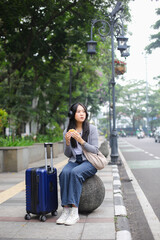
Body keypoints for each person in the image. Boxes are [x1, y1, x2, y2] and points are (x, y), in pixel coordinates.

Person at [56, 102, 98, 226]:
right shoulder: (67, 131)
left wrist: (81, 141)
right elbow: (68, 154)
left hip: (90, 162)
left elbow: (95, 150)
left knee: (75, 173)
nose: (81, 114)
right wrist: (68, 142)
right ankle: (66, 209)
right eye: (79, 111)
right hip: (75, 161)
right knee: (64, 173)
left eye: (83, 111)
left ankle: (74, 212)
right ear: (72, 114)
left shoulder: (92, 129)